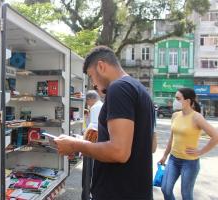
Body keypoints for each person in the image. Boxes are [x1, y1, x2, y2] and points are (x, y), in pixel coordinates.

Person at [54, 46, 155, 200]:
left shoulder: (119, 88)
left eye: (91, 76)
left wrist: (75, 145)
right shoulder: (140, 90)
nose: (94, 83)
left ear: (101, 66)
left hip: (118, 193)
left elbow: (118, 152)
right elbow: (150, 145)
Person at [159, 88, 218, 200]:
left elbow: (216, 136)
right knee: (165, 189)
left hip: (189, 163)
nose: (175, 101)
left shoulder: (197, 117)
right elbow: (172, 138)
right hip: (173, 159)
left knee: (186, 195)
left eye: (178, 98)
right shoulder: (175, 115)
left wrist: (201, 151)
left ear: (188, 101)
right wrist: (165, 155)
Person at [81, 90, 103, 200]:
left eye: (87, 101)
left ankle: (86, 196)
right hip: (98, 144)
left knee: (88, 172)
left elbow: (93, 128)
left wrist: (83, 143)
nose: (87, 104)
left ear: (90, 99)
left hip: (92, 143)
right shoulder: (101, 105)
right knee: (93, 171)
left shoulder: (95, 107)